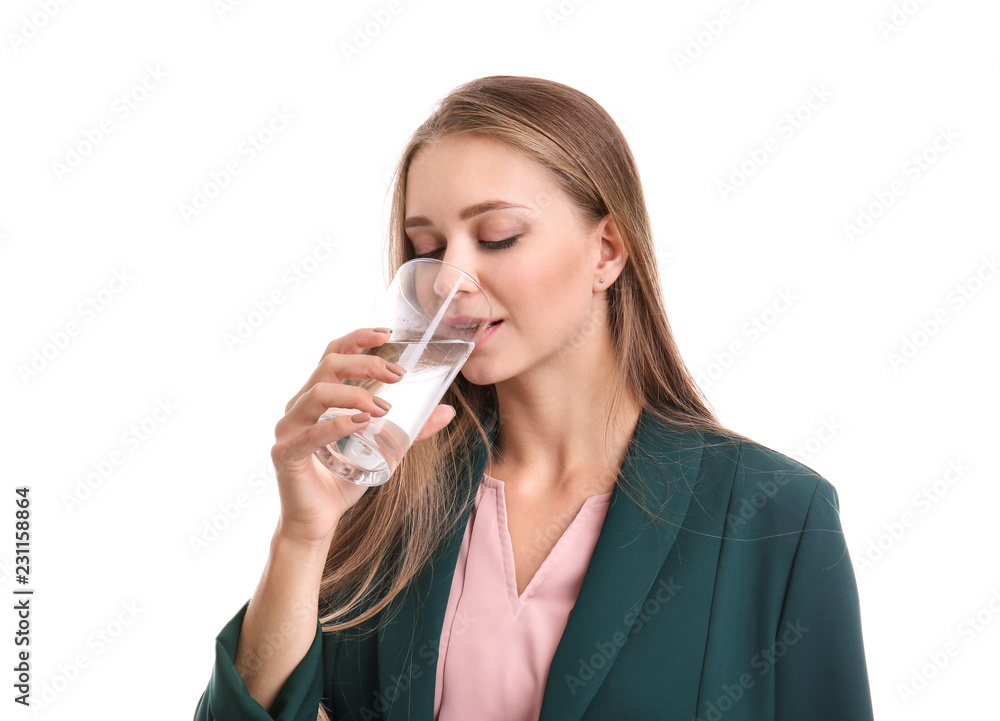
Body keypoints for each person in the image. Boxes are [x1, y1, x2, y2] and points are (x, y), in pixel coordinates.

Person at [193, 75, 874, 721]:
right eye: (425, 246)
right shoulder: (388, 503)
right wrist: (302, 534)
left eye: (497, 236)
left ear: (607, 250)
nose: (449, 280)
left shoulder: (772, 514)